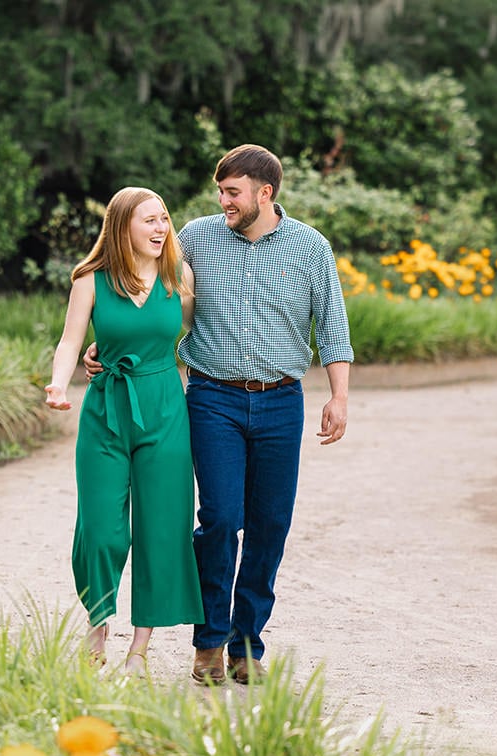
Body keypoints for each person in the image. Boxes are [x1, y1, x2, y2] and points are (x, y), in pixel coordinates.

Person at [86, 144, 354, 685]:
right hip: (213, 399)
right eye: (221, 192)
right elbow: (149, 289)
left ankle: (246, 645)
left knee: (270, 524)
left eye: (233, 192)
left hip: (282, 400)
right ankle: (209, 640)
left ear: (265, 193)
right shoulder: (197, 238)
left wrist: (338, 396)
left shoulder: (310, 247)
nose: (223, 201)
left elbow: (332, 324)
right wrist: (110, 344)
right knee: (220, 519)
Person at [44, 186, 204, 676]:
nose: (161, 228)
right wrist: (58, 383)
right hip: (106, 409)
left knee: (162, 526)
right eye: (149, 220)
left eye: (163, 219)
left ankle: (139, 650)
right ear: (122, 226)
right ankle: (98, 622)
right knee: (101, 527)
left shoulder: (178, 276)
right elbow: (70, 341)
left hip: (164, 409)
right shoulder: (90, 279)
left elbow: (196, 336)